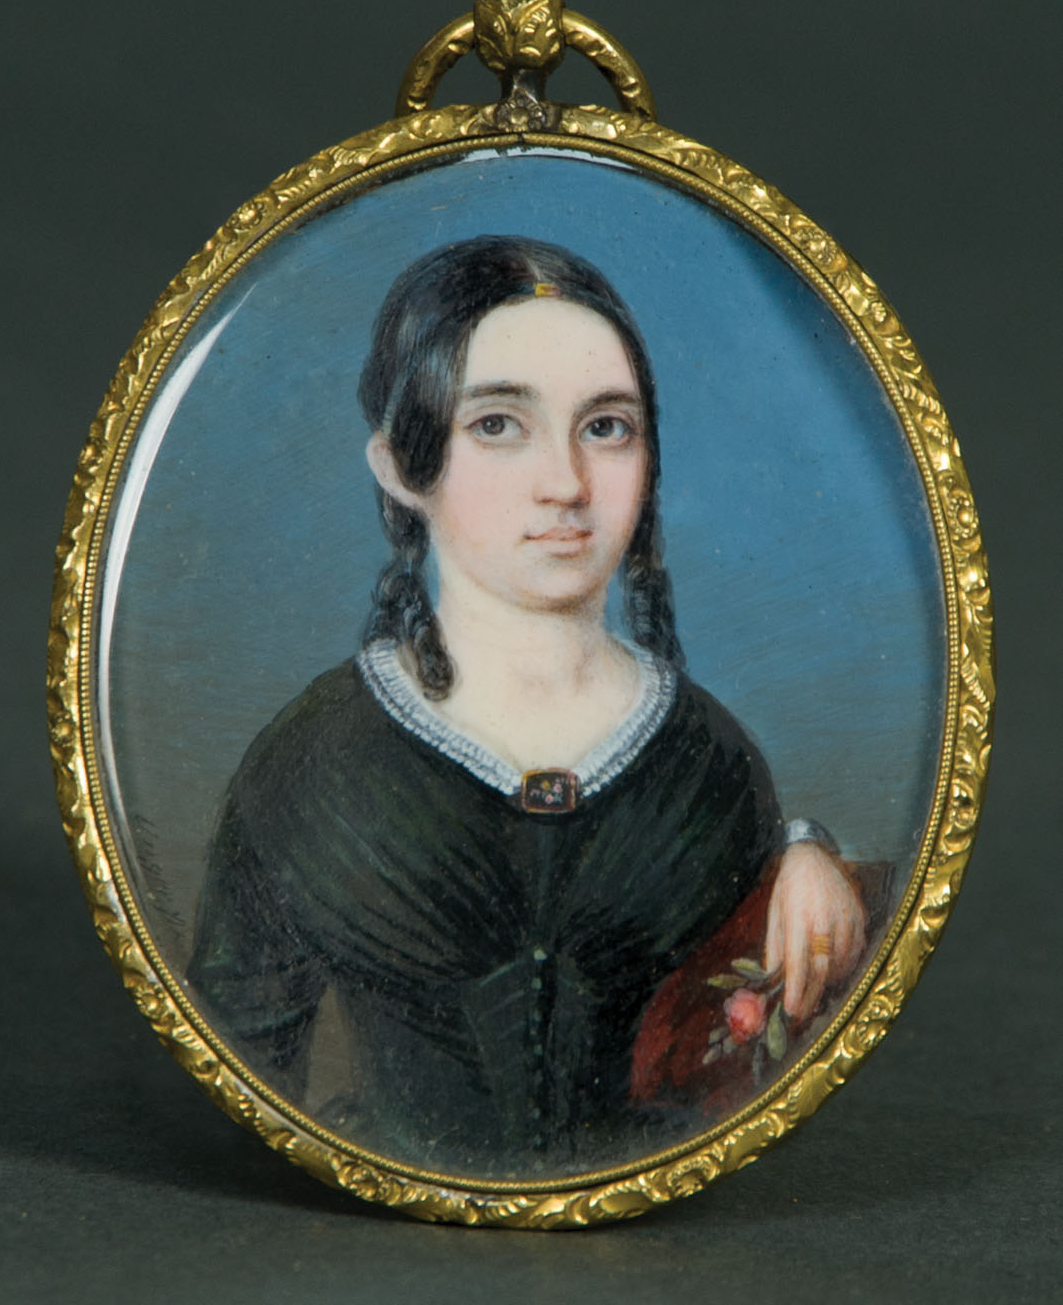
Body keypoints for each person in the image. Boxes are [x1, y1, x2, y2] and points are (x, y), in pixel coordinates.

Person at [187, 236, 865, 1176]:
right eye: (500, 424)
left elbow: (740, 1062)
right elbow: (234, 1077)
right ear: (400, 464)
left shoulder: (711, 764)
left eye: (606, 428)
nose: (566, 485)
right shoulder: (312, 763)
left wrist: (806, 858)